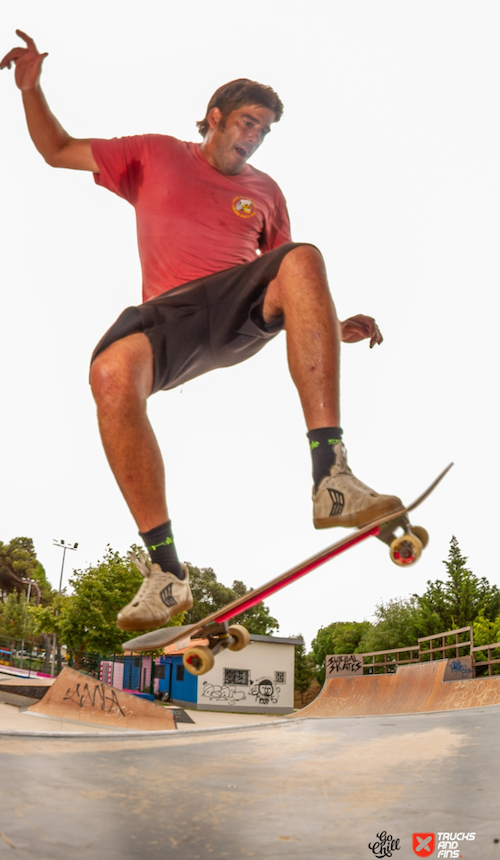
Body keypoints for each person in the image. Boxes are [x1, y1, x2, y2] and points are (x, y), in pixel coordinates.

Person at [2, 30, 403, 633]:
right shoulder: (153, 154)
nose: (254, 138)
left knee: (303, 255)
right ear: (214, 117)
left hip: (237, 311)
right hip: (170, 318)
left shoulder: (266, 192)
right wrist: (32, 90)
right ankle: (166, 574)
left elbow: (292, 277)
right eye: (247, 123)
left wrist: (332, 323)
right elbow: (58, 149)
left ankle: (331, 479)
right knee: (110, 374)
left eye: (265, 131)